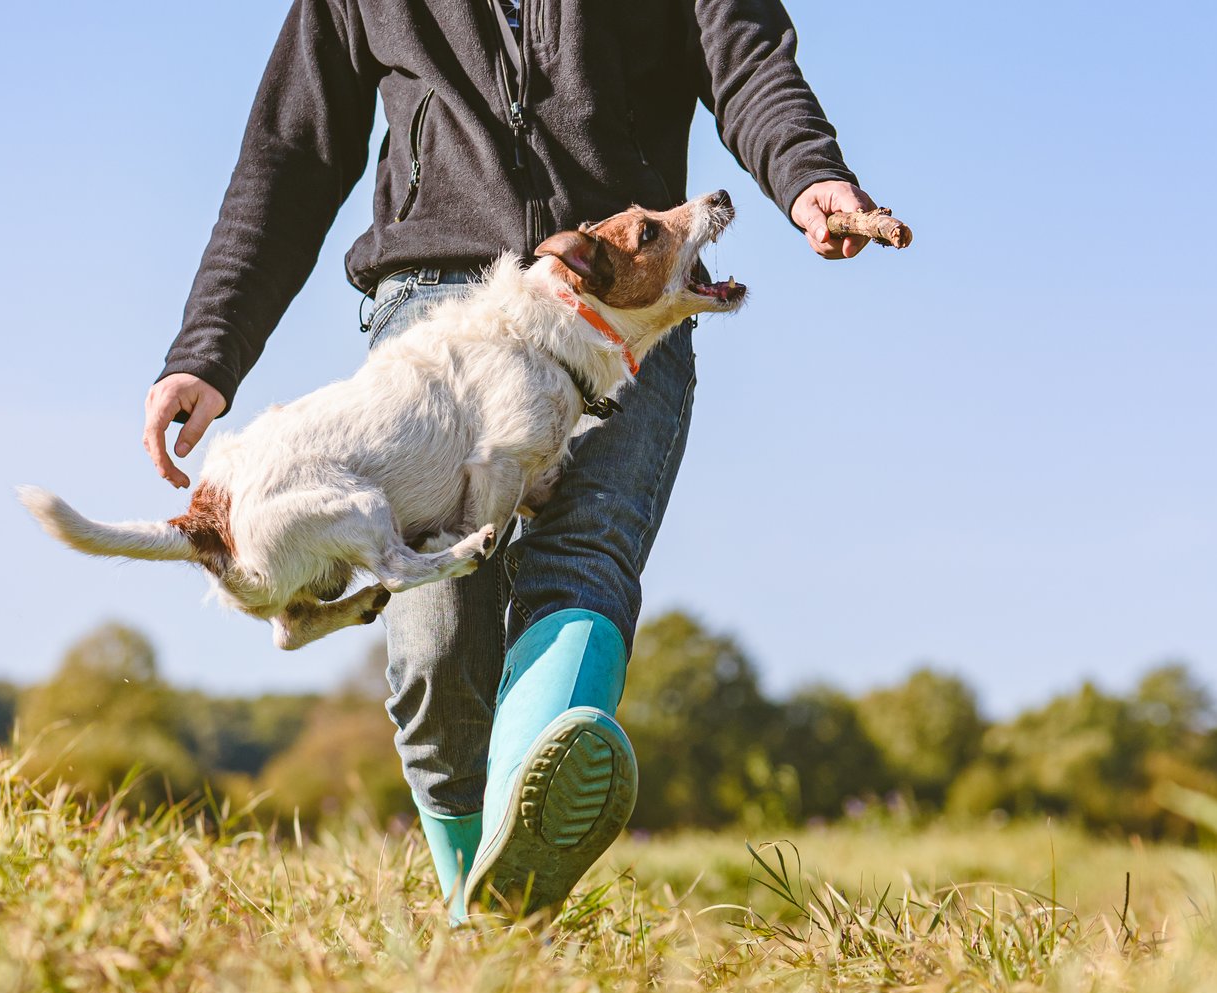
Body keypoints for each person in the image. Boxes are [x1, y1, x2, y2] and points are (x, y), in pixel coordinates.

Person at [140, 0, 876, 920]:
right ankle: (485, 920)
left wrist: (809, 175)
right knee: (435, 641)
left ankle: (510, 893)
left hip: (627, 308)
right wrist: (207, 349)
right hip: (440, 310)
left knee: (581, 556)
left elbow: (747, 57)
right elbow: (291, 153)